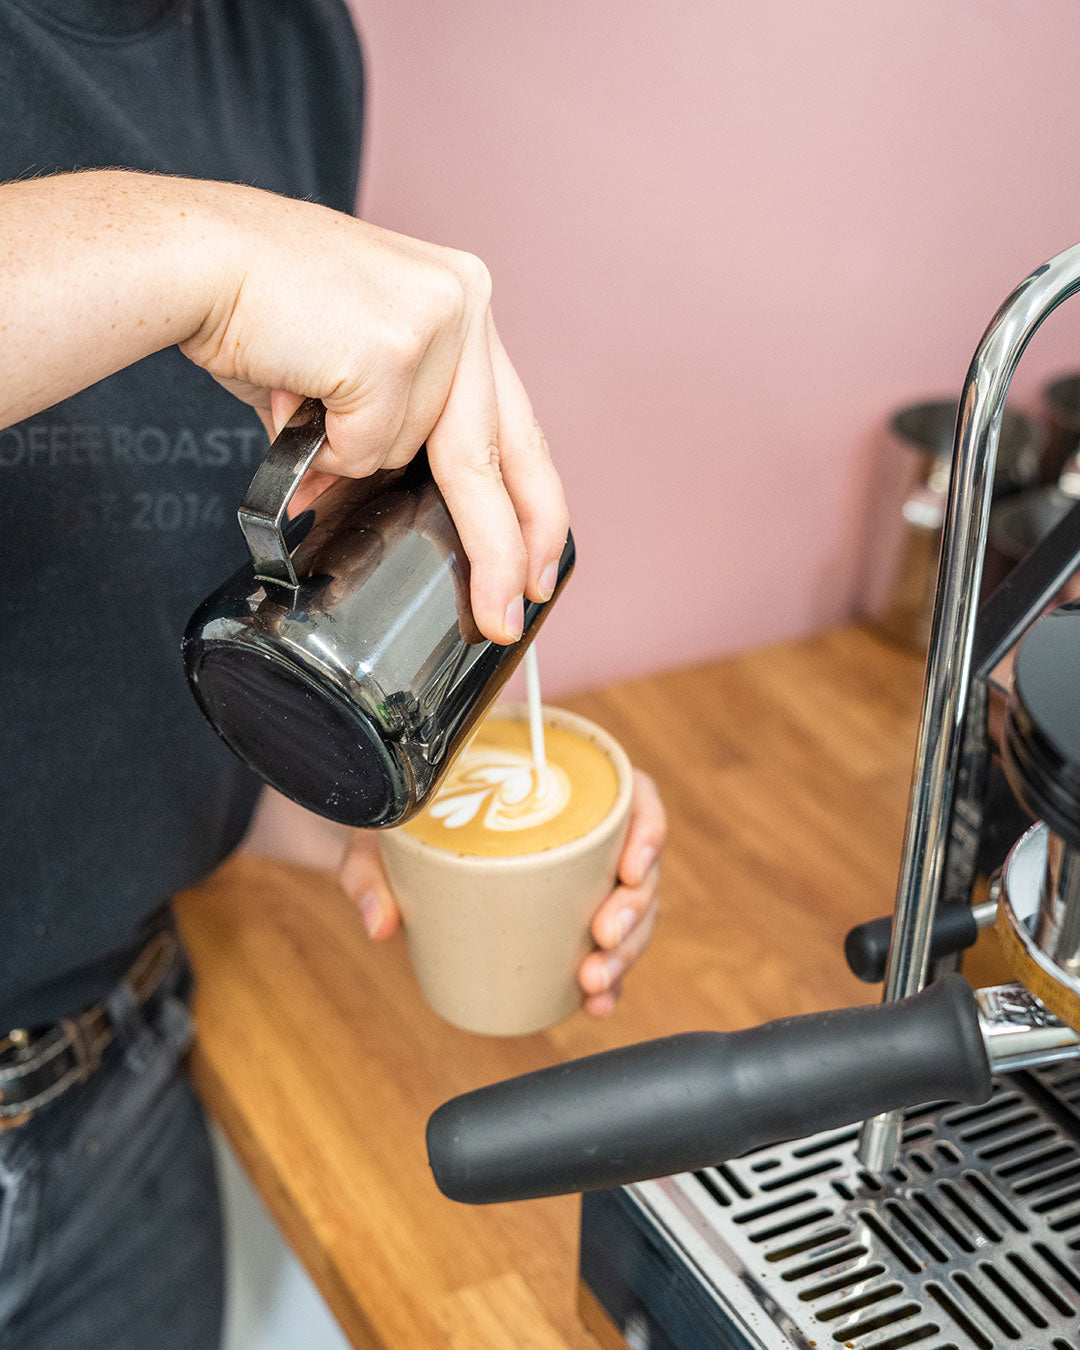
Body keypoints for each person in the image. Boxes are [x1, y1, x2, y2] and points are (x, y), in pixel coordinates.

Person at [0, 1, 666, 1346]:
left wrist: (406, 803)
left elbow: (124, 590)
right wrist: (208, 250)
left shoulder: (289, 42)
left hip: (112, 1101)